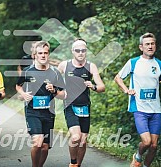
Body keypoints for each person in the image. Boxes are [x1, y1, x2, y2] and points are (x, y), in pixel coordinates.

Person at [114, 32, 161, 167]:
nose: (150, 46)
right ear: (141, 47)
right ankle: (138, 157)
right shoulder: (133, 63)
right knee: (146, 142)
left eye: (152, 44)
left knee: (154, 145)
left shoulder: (160, 64)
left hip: (155, 109)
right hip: (139, 108)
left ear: (155, 45)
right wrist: (126, 90)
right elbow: (118, 77)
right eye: (147, 44)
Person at [16, 41, 66, 167]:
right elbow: (18, 86)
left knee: (44, 147)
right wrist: (23, 94)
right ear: (35, 55)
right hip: (32, 111)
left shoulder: (55, 72)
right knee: (37, 142)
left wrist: (54, 91)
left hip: (49, 113)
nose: (43, 55)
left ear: (48, 54)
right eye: (40, 53)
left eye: (45, 53)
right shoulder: (28, 71)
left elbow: (64, 94)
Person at [57, 38, 105, 167]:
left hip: (85, 106)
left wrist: (93, 86)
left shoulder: (90, 66)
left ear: (86, 51)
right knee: (75, 138)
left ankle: (78, 164)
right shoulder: (65, 65)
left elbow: (102, 87)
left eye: (83, 50)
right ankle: (73, 163)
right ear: (73, 51)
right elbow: (53, 78)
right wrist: (58, 90)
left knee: (83, 141)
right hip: (70, 105)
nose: (80, 53)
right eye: (77, 50)